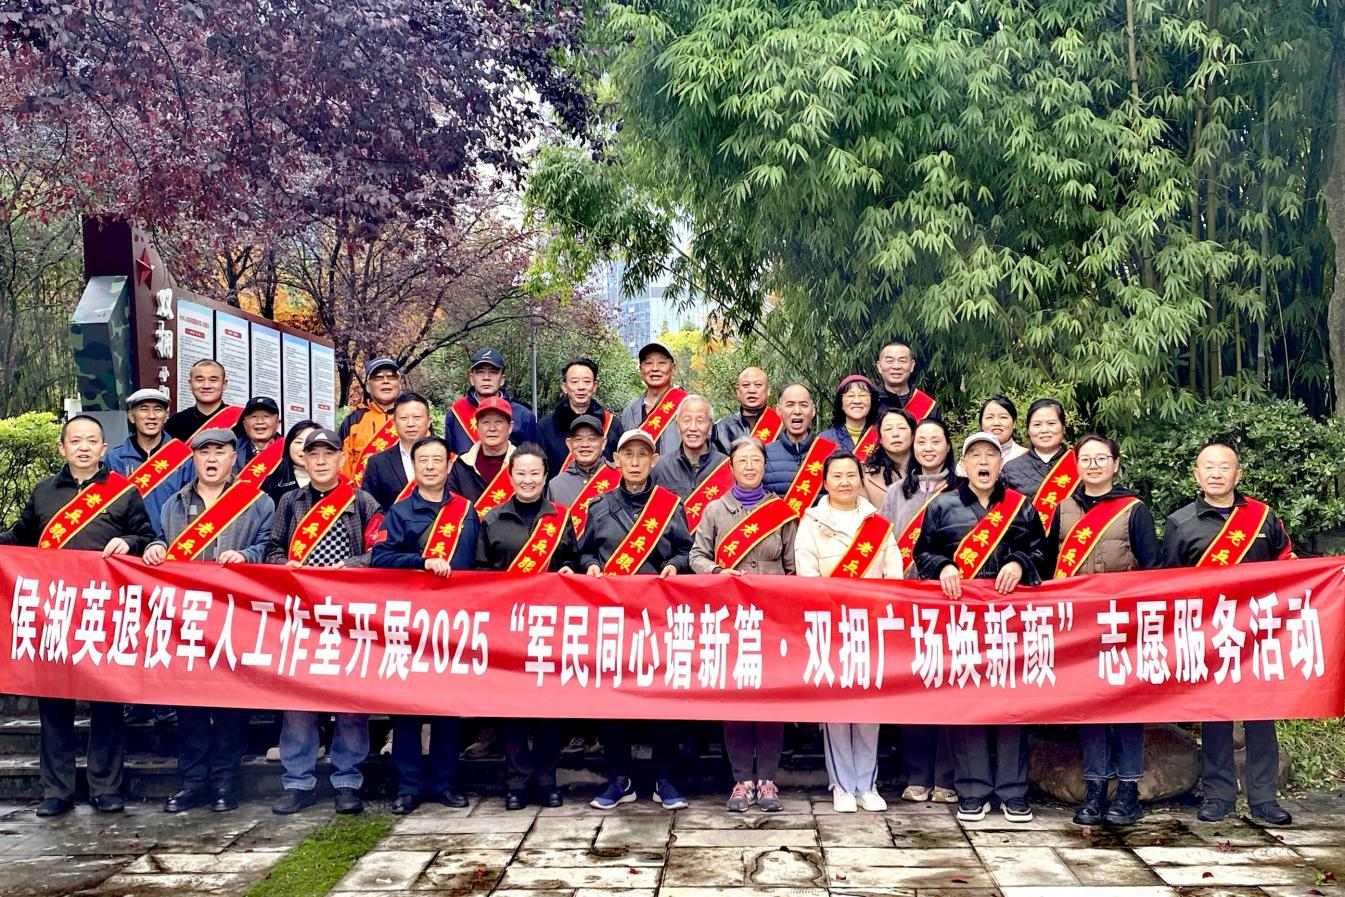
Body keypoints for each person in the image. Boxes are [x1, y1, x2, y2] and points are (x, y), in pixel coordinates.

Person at [0, 415, 154, 817]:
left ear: (104, 449)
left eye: (91, 441)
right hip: (53, 613)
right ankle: (57, 790)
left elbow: (148, 538)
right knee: (54, 705)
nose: (83, 447)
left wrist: (129, 541)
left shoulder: (123, 492)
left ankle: (106, 787)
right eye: (75, 441)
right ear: (62, 448)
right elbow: (19, 539)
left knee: (107, 704)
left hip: (105, 613)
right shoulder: (43, 492)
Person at [1161, 440, 1295, 827]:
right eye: (1209, 467)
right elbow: (1169, 584)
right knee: (1214, 715)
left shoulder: (1263, 518)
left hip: (1258, 634)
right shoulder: (1180, 522)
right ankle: (1218, 796)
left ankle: (1263, 798)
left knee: (1260, 717)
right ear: (1196, 474)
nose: (1216, 474)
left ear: (1238, 474)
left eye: (1224, 467)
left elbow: (1289, 567)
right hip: (1209, 634)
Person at [915, 432, 1045, 824]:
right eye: (976, 455)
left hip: (1011, 622)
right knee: (967, 701)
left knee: (1011, 704)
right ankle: (972, 790)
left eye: (991, 454)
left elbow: (1044, 551)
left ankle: (1013, 791)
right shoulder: (942, 506)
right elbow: (923, 552)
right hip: (961, 621)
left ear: (1001, 463)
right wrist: (943, 566)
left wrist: (1020, 562)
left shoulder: (1021, 506)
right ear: (964, 464)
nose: (984, 461)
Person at [143, 427, 275, 813]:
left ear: (234, 458)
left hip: (236, 617)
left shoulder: (257, 502)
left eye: (220, 451)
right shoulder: (173, 504)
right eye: (204, 452)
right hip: (187, 619)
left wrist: (247, 556)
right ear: (194, 459)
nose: (212, 459)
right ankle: (193, 783)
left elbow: (269, 546)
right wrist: (156, 547)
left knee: (231, 704)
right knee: (190, 704)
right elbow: (161, 539)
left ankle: (225, 782)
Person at [265, 428, 382, 816]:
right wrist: (284, 565)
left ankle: (347, 780)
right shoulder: (289, 502)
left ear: (341, 459)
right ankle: (298, 781)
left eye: (328, 454)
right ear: (303, 459)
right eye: (313, 454)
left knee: (349, 700)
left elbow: (380, 550)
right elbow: (272, 549)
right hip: (301, 616)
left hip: (348, 616)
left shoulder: (362, 501)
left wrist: (351, 565)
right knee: (299, 699)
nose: (320, 461)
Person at [1047, 434, 1159, 827]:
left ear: (1115, 463)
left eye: (1101, 459)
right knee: (1089, 703)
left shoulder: (1134, 509)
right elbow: (1048, 566)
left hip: (1124, 623)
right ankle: (1095, 786)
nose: (1093, 465)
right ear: (1076, 465)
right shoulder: (1063, 509)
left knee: (1127, 704)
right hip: (1079, 625)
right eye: (1086, 459)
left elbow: (1153, 568)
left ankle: (1128, 790)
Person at [578, 429, 692, 811]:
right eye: (628, 454)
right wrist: (591, 566)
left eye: (643, 454)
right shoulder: (599, 506)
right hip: (613, 618)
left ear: (654, 460)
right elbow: (584, 552)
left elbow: (686, 550)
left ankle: (664, 778)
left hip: (658, 617)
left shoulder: (669, 505)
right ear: (617, 460)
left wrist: (676, 566)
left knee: (663, 696)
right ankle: (619, 778)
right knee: (615, 698)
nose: (635, 462)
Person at [372, 435, 480, 815]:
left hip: (453, 621)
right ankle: (409, 786)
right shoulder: (400, 512)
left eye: (437, 460)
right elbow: (380, 558)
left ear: (449, 466)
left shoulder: (467, 511)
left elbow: (478, 563)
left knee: (448, 706)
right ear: (414, 467)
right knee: (407, 707)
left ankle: (445, 782)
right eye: (423, 461)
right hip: (412, 622)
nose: (431, 467)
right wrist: (421, 562)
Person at [690, 437, 796, 812]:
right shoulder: (715, 510)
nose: (749, 467)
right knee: (734, 699)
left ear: (765, 466)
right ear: (731, 467)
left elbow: (793, 567)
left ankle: (766, 779)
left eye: (756, 460)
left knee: (771, 700)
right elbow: (696, 556)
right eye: (742, 461)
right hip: (730, 619)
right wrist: (718, 571)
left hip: (771, 620)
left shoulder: (781, 512)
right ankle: (740, 780)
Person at [795, 451, 902, 813]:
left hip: (870, 628)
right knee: (837, 709)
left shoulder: (878, 524)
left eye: (851, 475)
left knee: (869, 708)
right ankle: (841, 784)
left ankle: (867, 784)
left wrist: (874, 612)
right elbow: (806, 576)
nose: (844, 482)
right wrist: (835, 611)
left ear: (860, 480)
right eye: (837, 476)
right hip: (830, 628)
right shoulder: (811, 522)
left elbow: (893, 576)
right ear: (825, 482)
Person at [474, 443, 578, 809]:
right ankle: (517, 780)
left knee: (549, 707)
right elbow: (480, 572)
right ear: (510, 476)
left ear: (545, 476)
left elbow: (574, 562)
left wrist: (570, 571)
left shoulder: (562, 519)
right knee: (513, 707)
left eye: (535, 473)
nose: (528, 480)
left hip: (551, 625)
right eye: (521, 473)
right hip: (509, 626)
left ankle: (547, 778)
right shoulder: (492, 519)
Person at [878, 417, 960, 804]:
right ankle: (917, 774)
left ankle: (946, 776)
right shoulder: (898, 491)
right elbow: (883, 542)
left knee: (950, 687)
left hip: (951, 600)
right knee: (914, 686)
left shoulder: (962, 490)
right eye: (921, 441)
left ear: (948, 446)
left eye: (935, 440)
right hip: (908, 601)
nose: (928, 447)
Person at [106, 387, 193, 540]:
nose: (151, 416)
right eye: (144, 409)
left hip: (171, 541)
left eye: (158, 409)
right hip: (129, 543)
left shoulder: (183, 457)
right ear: (131, 416)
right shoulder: (115, 458)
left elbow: (191, 503)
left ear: (166, 416)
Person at [445, 347, 539, 455]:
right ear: (471, 378)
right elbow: (450, 457)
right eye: (480, 372)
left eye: (493, 372)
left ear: (502, 379)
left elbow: (532, 459)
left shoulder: (524, 416)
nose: (486, 377)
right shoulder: (456, 414)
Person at [1002, 399, 1078, 531]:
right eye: (1037, 425)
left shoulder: (1081, 464)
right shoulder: (1011, 469)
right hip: (1026, 542)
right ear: (1028, 430)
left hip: (1072, 541)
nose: (1044, 430)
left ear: (1063, 428)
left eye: (1051, 423)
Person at [537, 357, 623, 474]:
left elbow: (621, 466)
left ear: (594, 386)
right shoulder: (545, 427)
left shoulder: (612, 425)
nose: (581, 387)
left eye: (587, 381)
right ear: (564, 387)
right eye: (574, 382)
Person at [651, 395, 728, 514]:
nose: (693, 428)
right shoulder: (660, 467)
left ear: (710, 426)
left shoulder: (726, 466)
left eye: (700, 421)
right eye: (687, 420)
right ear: (677, 425)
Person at [362, 392, 434, 511]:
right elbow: (369, 510)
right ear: (394, 424)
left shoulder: (447, 460)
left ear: (428, 421)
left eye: (417, 417)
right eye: (403, 418)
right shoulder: (377, 463)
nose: (410, 424)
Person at [340, 357, 403, 482]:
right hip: (362, 492)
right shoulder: (354, 421)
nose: (386, 381)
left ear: (400, 384)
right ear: (368, 387)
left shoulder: (414, 418)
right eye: (378, 377)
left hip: (406, 493)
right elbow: (342, 467)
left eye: (391, 376)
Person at [446, 396, 517, 508]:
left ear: (510, 427)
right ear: (477, 427)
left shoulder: (522, 464)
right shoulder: (461, 465)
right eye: (486, 422)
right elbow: (452, 506)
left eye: (498, 422)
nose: (492, 428)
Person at [618, 342, 686, 457]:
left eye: (662, 363)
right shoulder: (629, 412)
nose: (655, 368)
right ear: (641, 369)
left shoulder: (687, 405)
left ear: (673, 367)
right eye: (648, 363)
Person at [546, 414, 620, 514]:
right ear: (569, 444)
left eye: (592, 439)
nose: (585, 445)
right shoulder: (556, 485)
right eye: (578, 439)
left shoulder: (620, 477)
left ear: (603, 443)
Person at [763, 384, 827, 496]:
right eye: (790, 405)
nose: (797, 411)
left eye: (803, 405)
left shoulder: (831, 453)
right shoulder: (764, 456)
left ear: (813, 411)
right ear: (779, 410)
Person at [165, 359, 241, 440]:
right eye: (200, 380)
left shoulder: (240, 420)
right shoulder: (176, 422)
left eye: (213, 380)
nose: (206, 386)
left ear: (224, 384)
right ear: (190, 384)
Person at [712, 367, 781, 453]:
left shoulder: (782, 425)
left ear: (768, 390)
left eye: (758, 385)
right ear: (738, 391)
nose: (752, 390)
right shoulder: (721, 429)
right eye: (746, 385)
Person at [873, 339, 939, 421]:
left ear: (912, 366)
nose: (896, 366)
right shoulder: (870, 402)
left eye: (902, 361)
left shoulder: (926, 405)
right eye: (890, 361)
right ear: (879, 367)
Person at [260, 420, 321, 508]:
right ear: (288, 446)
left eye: (311, 442)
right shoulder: (271, 482)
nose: (304, 448)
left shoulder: (334, 482)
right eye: (298, 442)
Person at [862, 408, 914, 508]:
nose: (895, 434)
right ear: (880, 438)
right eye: (888, 429)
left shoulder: (928, 470)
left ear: (912, 435)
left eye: (902, 428)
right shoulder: (865, 476)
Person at [819, 375, 880, 459]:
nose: (857, 401)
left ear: (872, 402)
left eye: (863, 395)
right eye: (850, 396)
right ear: (841, 403)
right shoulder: (825, 439)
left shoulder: (881, 436)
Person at [236, 396, 282, 470]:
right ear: (244, 424)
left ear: (277, 423)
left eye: (266, 416)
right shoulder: (231, 450)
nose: (260, 422)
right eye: (254, 417)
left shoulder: (289, 451)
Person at [978, 396, 1028, 464]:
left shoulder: (1025, 457)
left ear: (1014, 423)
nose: (996, 423)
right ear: (981, 424)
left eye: (1003, 417)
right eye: (989, 417)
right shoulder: (969, 458)